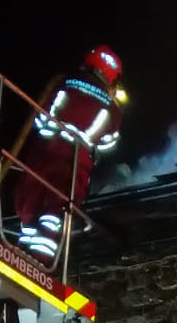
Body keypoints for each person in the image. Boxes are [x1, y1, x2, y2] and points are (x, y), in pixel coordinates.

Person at [14, 46, 125, 262]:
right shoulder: (112, 108)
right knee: (55, 212)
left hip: (43, 154)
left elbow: (39, 117)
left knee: (30, 204)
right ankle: (39, 259)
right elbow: (107, 142)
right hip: (75, 164)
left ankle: (23, 250)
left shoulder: (63, 84)